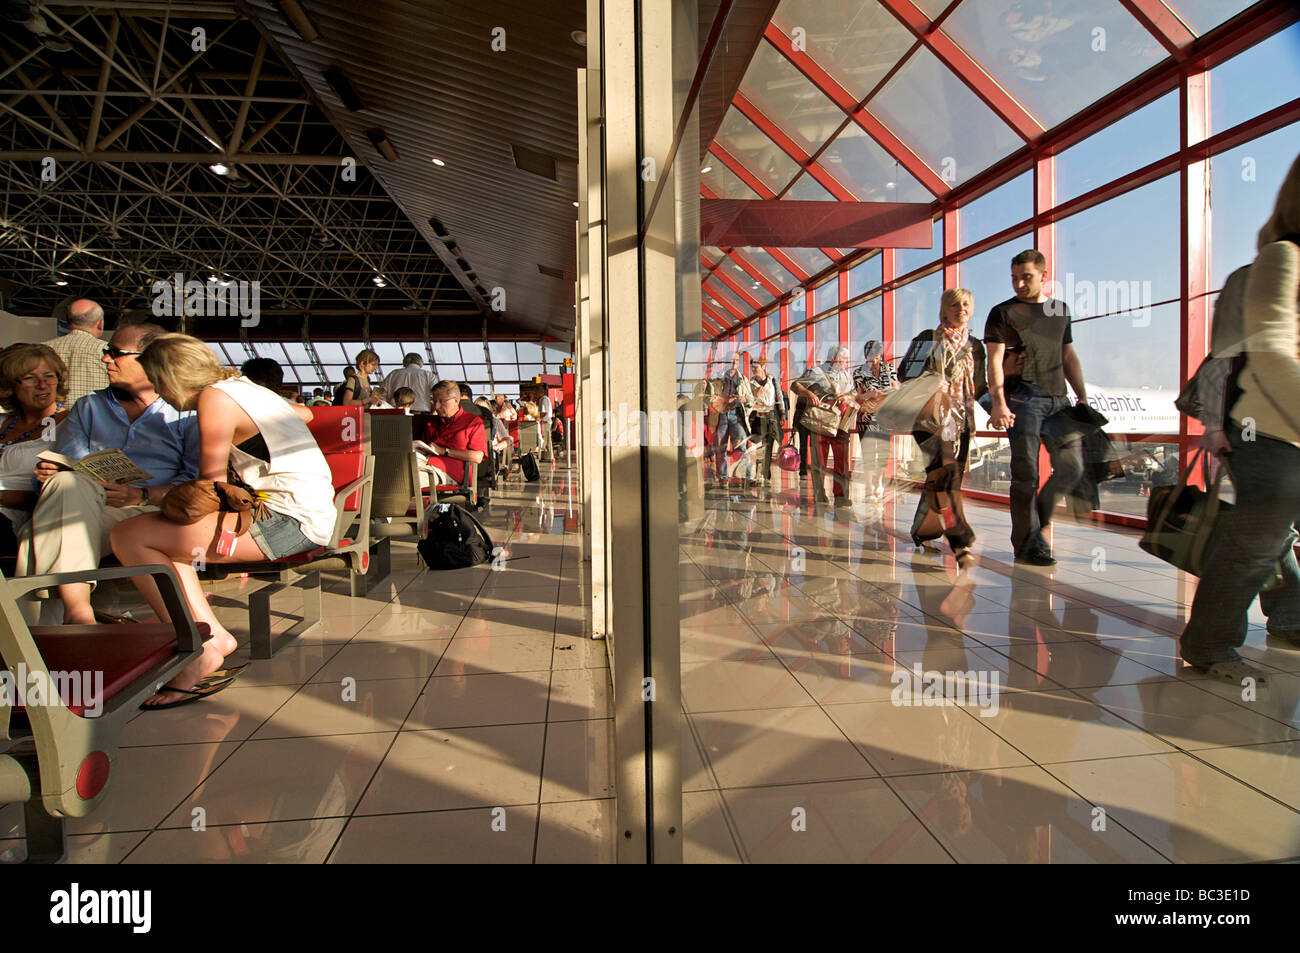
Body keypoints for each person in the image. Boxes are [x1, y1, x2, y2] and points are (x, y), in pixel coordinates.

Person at [110, 334, 337, 708]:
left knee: (129, 535)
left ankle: (198, 651)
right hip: (310, 513)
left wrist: (144, 496)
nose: (159, 394)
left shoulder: (214, 400)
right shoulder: (244, 387)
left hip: (284, 521)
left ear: (170, 379)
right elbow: (306, 414)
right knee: (164, 545)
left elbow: (206, 490)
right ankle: (211, 637)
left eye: (157, 383)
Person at [1180, 154, 1300, 685]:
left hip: (1272, 427)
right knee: (1258, 538)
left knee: (1268, 537)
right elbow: (1228, 359)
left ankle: (1288, 616)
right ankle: (1210, 641)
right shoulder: (1268, 267)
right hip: (1263, 426)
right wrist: (1215, 425)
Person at [15, 323, 199, 625]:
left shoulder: (186, 411)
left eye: (115, 353)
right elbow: (68, 468)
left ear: (151, 358)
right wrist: (54, 471)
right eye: (106, 351)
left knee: (36, 536)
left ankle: (36, 643)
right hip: (86, 504)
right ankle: (77, 615)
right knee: (66, 483)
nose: (105, 360)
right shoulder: (89, 407)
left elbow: (199, 482)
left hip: (151, 511)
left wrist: (140, 495)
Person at [984, 249, 1088, 565]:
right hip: (1022, 401)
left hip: (1059, 400)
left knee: (1072, 467)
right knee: (1025, 474)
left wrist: (1081, 396)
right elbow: (994, 361)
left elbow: (1068, 355)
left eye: (1026, 277)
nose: (1018, 284)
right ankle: (1028, 545)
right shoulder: (1002, 312)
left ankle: (1036, 525)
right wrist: (998, 403)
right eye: (1014, 278)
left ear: (1043, 275)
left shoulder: (1060, 311)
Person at [899, 289, 987, 563]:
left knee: (944, 477)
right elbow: (905, 373)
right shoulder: (928, 338)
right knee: (946, 472)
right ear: (944, 310)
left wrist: (1001, 412)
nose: (961, 308)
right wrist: (930, 380)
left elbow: (981, 387)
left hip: (961, 420)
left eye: (966, 304)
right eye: (954, 304)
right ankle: (960, 539)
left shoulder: (975, 346)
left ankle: (923, 531)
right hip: (929, 419)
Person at [0, 345, 69, 574]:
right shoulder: (4, 422)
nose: (42, 385)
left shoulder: (68, 425)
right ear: (11, 385)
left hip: (16, 518)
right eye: (30, 378)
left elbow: (57, 492)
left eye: (49, 376)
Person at [792, 345, 855, 504]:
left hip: (841, 421)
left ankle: (841, 496)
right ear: (833, 358)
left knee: (842, 460)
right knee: (819, 460)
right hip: (822, 420)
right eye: (843, 360)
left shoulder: (847, 375)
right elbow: (795, 385)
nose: (846, 363)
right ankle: (820, 494)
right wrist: (810, 393)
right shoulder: (817, 372)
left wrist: (847, 396)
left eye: (847, 360)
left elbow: (854, 393)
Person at [417, 381, 487, 487]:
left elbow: (477, 456)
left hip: (450, 472)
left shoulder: (472, 422)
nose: (436, 406)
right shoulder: (432, 423)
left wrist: (444, 451)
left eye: (441, 401)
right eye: (434, 401)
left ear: (456, 400)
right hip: (425, 464)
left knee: (410, 480)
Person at [853, 339, 898, 503]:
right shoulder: (859, 372)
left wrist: (888, 393)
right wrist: (869, 395)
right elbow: (858, 397)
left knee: (883, 452)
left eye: (877, 357)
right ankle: (869, 488)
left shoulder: (889, 368)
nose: (874, 361)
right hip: (866, 416)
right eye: (871, 357)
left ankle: (878, 483)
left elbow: (895, 388)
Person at [42, 298, 110, 406]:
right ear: (100, 323)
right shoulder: (107, 350)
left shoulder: (43, 349)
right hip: (93, 418)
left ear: (68, 321)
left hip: (52, 420)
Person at [710, 351, 750, 485]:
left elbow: (750, 398)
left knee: (741, 445)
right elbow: (711, 396)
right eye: (731, 360)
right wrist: (716, 399)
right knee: (721, 446)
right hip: (721, 414)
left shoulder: (743, 379)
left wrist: (745, 399)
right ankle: (723, 477)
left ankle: (742, 476)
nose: (734, 363)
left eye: (736, 360)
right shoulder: (718, 379)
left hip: (736, 414)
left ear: (739, 363)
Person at [746, 358, 785, 484]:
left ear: (763, 367)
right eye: (752, 367)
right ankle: (759, 476)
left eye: (756, 367)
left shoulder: (773, 380)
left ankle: (766, 476)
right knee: (759, 448)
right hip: (758, 417)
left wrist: (782, 414)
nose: (753, 370)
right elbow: (749, 402)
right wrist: (756, 394)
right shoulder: (751, 383)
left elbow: (779, 398)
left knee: (768, 447)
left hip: (771, 417)